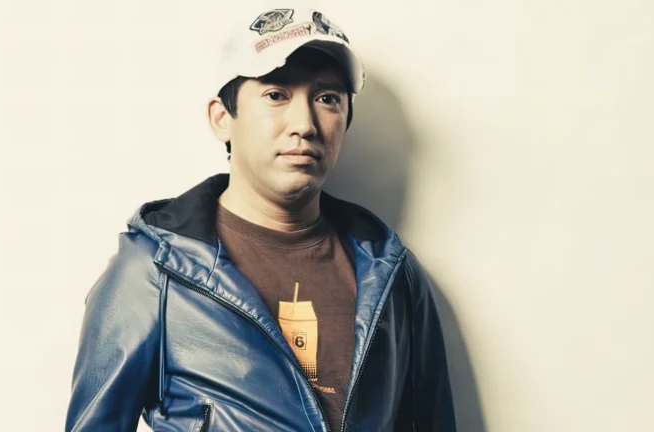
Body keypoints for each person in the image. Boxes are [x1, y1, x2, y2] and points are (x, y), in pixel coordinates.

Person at [65, 6, 456, 432]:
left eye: (328, 98)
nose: (305, 124)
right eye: (276, 95)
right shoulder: (153, 271)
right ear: (222, 118)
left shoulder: (392, 272)